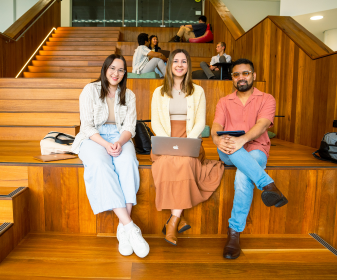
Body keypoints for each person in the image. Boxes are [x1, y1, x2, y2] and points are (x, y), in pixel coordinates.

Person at [71, 54, 150, 258]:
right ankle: (131, 227)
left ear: (125, 73)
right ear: (105, 69)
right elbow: (87, 126)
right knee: (99, 164)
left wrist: (119, 143)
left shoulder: (129, 95)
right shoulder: (90, 90)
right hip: (94, 138)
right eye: (113, 68)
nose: (116, 73)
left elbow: (130, 127)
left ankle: (123, 231)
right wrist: (106, 145)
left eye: (121, 70)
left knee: (128, 163)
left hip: (120, 137)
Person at [211, 58, 288, 259]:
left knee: (242, 177)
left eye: (245, 73)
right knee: (228, 143)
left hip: (256, 148)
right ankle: (268, 185)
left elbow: (262, 125)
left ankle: (234, 233)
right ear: (232, 79)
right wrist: (217, 140)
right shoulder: (224, 101)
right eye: (236, 75)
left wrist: (242, 140)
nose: (241, 78)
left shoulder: (267, 99)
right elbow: (216, 128)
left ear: (253, 75)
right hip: (227, 149)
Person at [151, 49, 224, 246]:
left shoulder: (197, 90)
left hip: (189, 138)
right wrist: (167, 142)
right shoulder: (158, 92)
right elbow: (155, 122)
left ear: (188, 65)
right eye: (176, 61)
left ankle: (172, 222)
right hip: (166, 138)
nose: (180, 65)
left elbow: (200, 122)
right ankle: (177, 218)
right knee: (165, 163)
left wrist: (187, 142)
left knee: (184, 162)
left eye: (184, 61)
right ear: (170, 65)